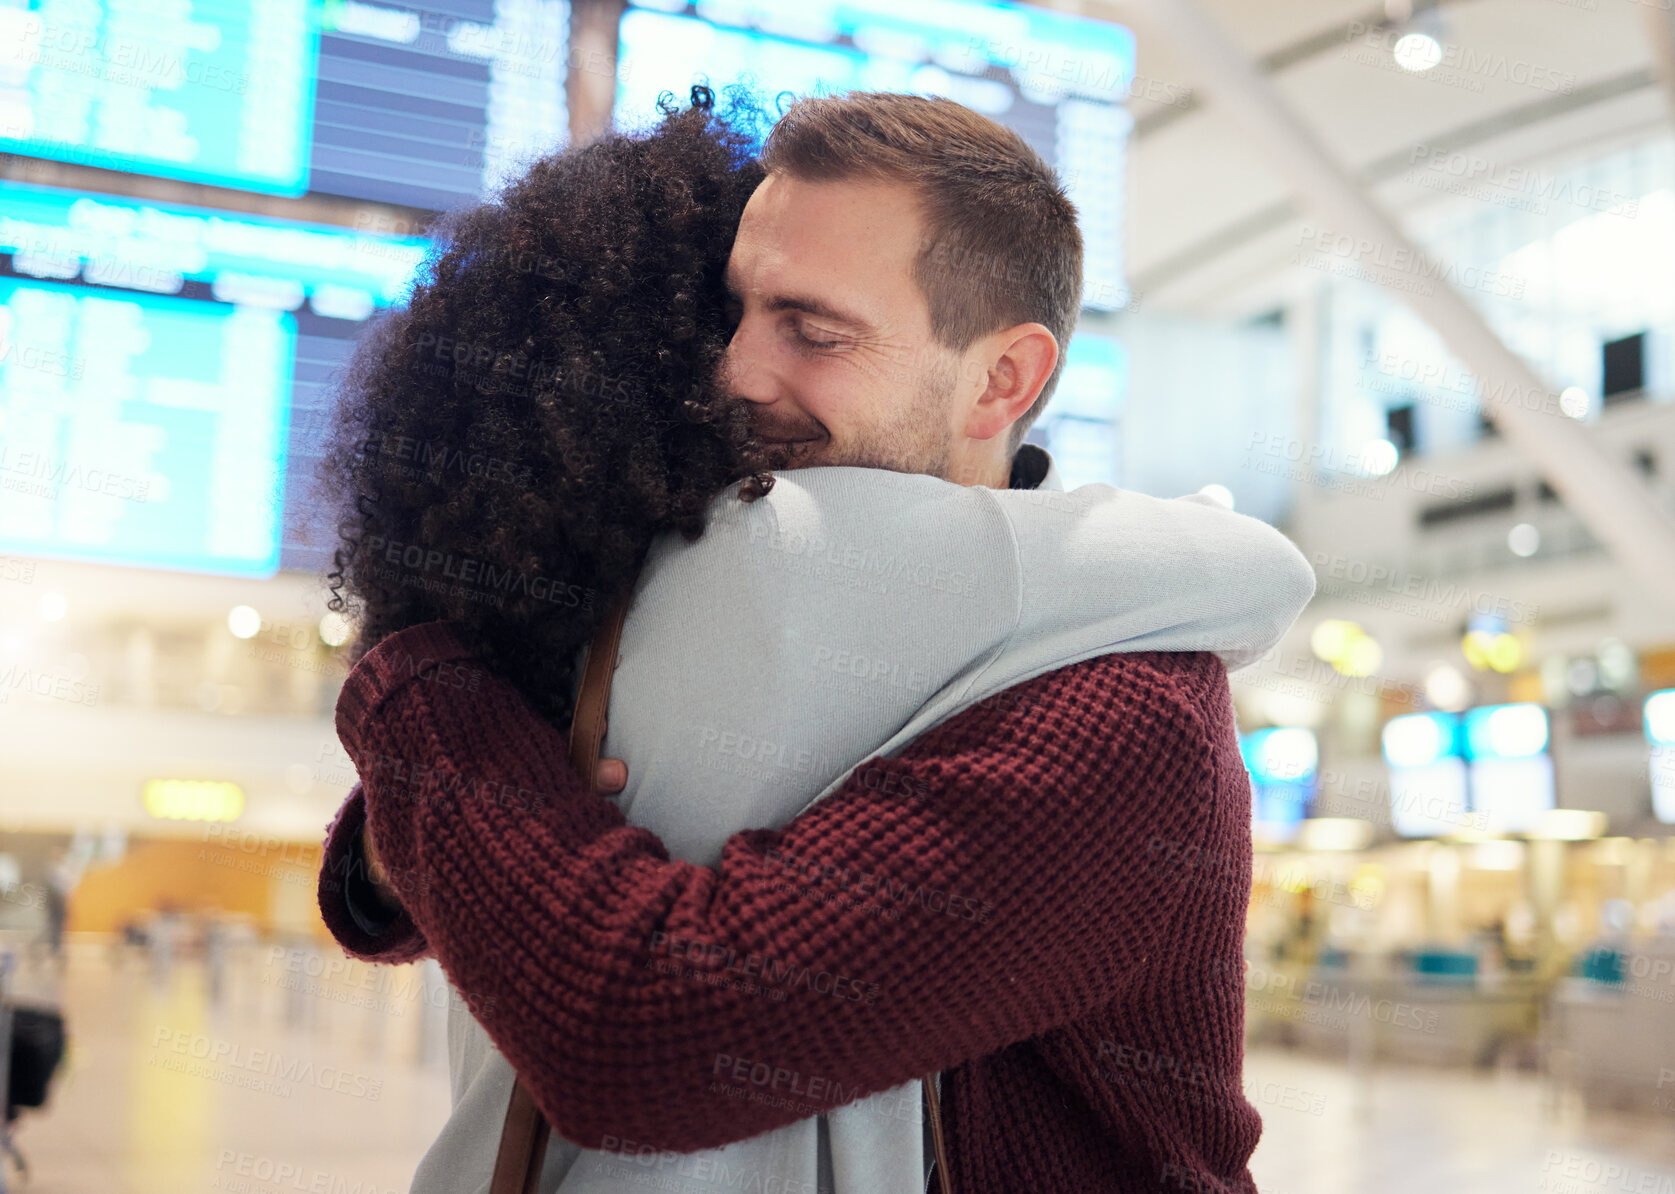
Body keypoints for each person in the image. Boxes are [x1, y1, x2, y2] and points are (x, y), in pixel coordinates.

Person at [315, 88, 1311, 1193]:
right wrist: (391, 847)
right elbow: (442, 879)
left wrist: (412, 685)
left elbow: (651, 1041)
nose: (735, 372)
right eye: (735, 313)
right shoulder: (736, 573)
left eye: (813, 330)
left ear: (1002, 379)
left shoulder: (1117, 708)